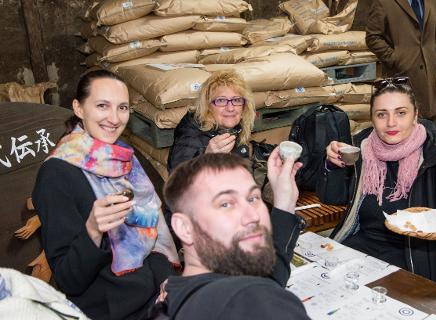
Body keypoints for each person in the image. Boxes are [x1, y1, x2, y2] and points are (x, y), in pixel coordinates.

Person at [32, 70, 179, 320]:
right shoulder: (56, 174)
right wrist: (93, 230)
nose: (114, 118)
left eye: (122, 108)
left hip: (156, 294)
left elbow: (154, 236)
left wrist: (169, 282)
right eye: (102, 106)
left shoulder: (125, 158)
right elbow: (69, 280)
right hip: (114, 310)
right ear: (78, 108)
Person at [318, 77, 436, 282]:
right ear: (372, 118)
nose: (391, 123)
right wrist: (333, 166)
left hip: (416, 262)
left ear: (416, 116)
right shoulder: (360, 150)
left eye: (401, 113)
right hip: (359, 251)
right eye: (381, 114)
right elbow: (331, 197)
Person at [149, 151, 310, 319]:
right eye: (226, 204)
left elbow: (262, 281)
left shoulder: (173, 300)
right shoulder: (254, 302)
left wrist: (285, 202)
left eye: (253, 198)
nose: (253, 216)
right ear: (184, 227)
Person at [366, 0, 436, 119]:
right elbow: (372, 38)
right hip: (401, 78)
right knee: (402, 123)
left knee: (427, 124)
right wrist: (395, 58)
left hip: (427, 79)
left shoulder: (431, 1)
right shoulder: (384, 2)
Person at [167, 70, 255, 172]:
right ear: (208, 106)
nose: (230, 108)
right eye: (221, 101)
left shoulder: (237, 127)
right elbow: (177, 180)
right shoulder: (191, 133)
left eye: (236, 100)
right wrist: (206, 157)